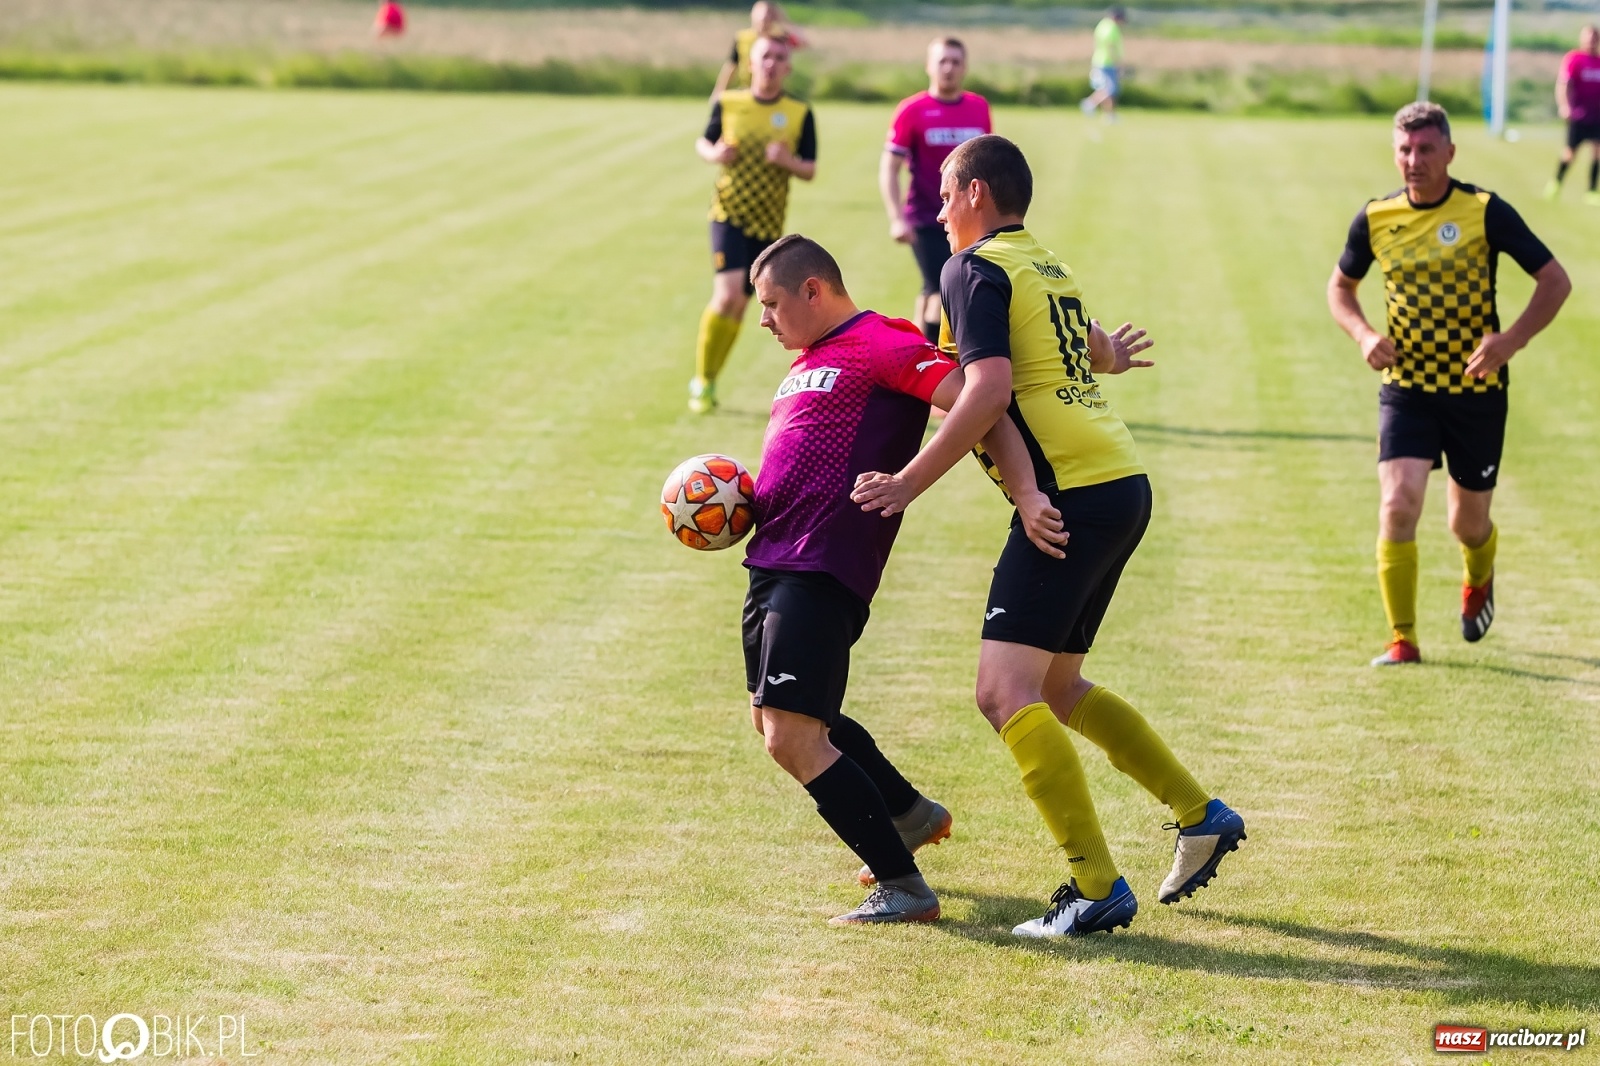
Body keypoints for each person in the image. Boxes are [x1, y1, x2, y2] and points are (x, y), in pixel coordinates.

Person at [852, 135, 1245, 937]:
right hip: (1117, 480)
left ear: (975, 195)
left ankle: (1095, 886)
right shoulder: (1044, 262)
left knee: (1004, 693)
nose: (935, 208)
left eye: (944, 192)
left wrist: (908, 483)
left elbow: (989, 386)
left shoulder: (970, 268)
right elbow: (1088, 347)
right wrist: (1113, 359)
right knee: (1059, 687)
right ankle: (1200, 815)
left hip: (1069, 493)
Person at [738, 234, 980, 924]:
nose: (764, 320)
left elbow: (971, 399)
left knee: (792, 733)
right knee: (776, 718)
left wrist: (908, 482)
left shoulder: (882, 343)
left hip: (823, 562)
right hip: (774, 559)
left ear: (814, 290)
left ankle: (904, 886)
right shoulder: (811, 359)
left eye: (773, 303)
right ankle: (907, 813)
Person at [1328, 103, 1570, 666]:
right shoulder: (1376, 218)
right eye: (1405, 150)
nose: (1414, 161)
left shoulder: (1485, 211)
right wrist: (1364, 335)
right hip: (1408, 388)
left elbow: (1555, 281)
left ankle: (1479, 573)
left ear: (1450, 153)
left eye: (1426, 150)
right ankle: (1402, 640)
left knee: (1467, 523)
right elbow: (1340, 289)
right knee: (1398, 503)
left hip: (1475, 393)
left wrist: (1510, 341)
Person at [690, 36, 816, 415]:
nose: (772, 64)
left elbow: (809, 168)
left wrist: (786, 160)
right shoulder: (729, 103)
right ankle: (703, 380)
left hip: (768, 221)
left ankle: (711, 377)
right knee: (728, 295)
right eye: (766, 57)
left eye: (780, 58)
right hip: (728, 213)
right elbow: (704, 141)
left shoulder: (798, 112)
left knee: (743, 305)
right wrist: (716, 153)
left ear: (788, 67)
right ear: (751, 62)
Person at [880, 38, 993, 344]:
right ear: (929, 65)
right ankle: (938, 361)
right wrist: (896, 219)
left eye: (955, 62)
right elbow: (889, 167)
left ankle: (919, 356)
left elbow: (989, 164)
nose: (949, 68)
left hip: (970, 219)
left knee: (936, 289)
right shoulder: (913, 110)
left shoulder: (978, 107)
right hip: (928, 218)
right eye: (942, 61)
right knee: (940, 288)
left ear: (965, 67)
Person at [1545, 25, 1600, 205]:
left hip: (1597, 116)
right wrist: (1564, 106)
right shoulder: (1574, 58)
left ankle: (1592, 191)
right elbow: (1563, 84)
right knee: (1570, 153)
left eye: (1594, 37)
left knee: (1597, 153)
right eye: (1588, 37)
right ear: (1582, 38)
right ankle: (1556, 183)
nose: (1591, 41)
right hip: (1579, 115)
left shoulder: (1598, 61)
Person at [712, 1, 807, 100]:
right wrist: (719, 89)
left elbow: (803, 43)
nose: (763, 23)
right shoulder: (742, 38)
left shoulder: (779, 38)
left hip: (773, 91)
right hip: (747, 89)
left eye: (768, 18)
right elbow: (731, 66)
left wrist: (784, 20)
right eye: (761, 19)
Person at [1080, 7, 1126, 118]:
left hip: (1099, 61)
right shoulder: (1111, 28)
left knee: (1105, 89)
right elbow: (1111, 46)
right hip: (1107, 62)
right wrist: (1118, 63)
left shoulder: (1102, 25)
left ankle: (1106, 113)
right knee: (1110, 90)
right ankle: (1091, 104)